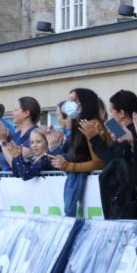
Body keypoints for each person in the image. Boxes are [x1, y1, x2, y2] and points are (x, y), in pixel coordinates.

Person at [89, 90, 137, 219]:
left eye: (112, 112)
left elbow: (112, 159)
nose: (110, 116)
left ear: (121, 113)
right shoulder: (120, 129)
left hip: (127, 194)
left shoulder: (131, 131)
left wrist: (94, 138)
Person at [50, 88, 108, 216]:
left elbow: (98, 163)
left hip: (82, 176)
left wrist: (67, 165)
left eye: (72, 100)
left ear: (83, 104)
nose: (67, 105)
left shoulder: (92, 124)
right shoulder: (80, 124)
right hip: (77, 176)